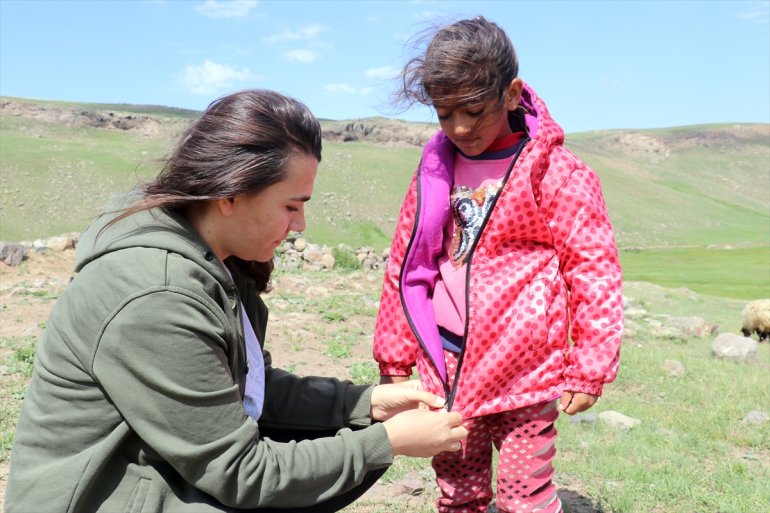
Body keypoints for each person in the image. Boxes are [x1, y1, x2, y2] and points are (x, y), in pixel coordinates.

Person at [5, 89, 468, 513]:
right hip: (96, 500)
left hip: (153, 474)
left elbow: (249, 390)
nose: (301, 225)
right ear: (231, 193)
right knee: (358, 449)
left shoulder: (217, 263)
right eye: (291, 205)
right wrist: (387, 441)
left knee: (347, 434)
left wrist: (367, 403)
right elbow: (241, 472)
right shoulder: (156, 295)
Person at [373, 17, 623, 513]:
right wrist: (394, 360)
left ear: (511, 94)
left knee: (523, 500)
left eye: (473, 110)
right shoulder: (434, 170)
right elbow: (408, 264)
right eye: (444, 114)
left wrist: (590, 366)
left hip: (525, 374)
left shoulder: (555, 172)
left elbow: (593, 269)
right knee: (459, 496)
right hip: (445, 370)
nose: (459, 127)